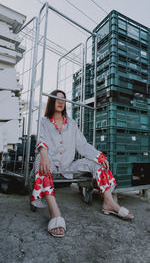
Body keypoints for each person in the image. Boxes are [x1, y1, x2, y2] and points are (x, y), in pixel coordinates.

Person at [31, 89, 134, 238]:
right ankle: (55, 213)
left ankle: (109, 202)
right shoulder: (44, 121)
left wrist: (99, 156)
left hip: (68, 167)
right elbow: (41, 139)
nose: (61, 102)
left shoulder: (71, 123)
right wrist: (44, 154)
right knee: (41, 160)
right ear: (51, 101)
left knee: (97, 163)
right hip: (49, 164)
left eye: (63, 99)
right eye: (57, 98)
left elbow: (83, 145)